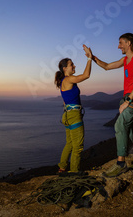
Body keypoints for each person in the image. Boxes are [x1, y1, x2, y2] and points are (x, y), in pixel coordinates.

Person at [92, 33, 133, 177]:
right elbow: (107, 66)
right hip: (128, 99)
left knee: (119, 125)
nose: (118, 46)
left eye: (120, 43)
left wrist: (128, 101)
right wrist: (92, 57)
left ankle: (121, 163)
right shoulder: (125, 60)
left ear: (129, 43)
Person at [54, 44, 93, 173]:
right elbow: (86, 75)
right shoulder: (69, 79)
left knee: (70, 143)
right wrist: (89, 58)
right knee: (78, 147)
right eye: (72, 65)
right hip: (74, 116)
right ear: (65, 68)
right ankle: (74, 173)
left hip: (67, 115)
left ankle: (62, 168)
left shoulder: (64, 81)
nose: (74, 66)